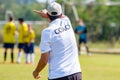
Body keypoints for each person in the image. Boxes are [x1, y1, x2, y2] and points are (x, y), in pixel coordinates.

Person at [33, 2, 82, 80]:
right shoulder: (67, 21)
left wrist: (36, 72)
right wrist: (47, 14)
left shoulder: (47, 32)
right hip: (76, 73)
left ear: (48, 15)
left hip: (59, 76)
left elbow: (44, 60)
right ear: (61, 13)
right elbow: (63, 16)